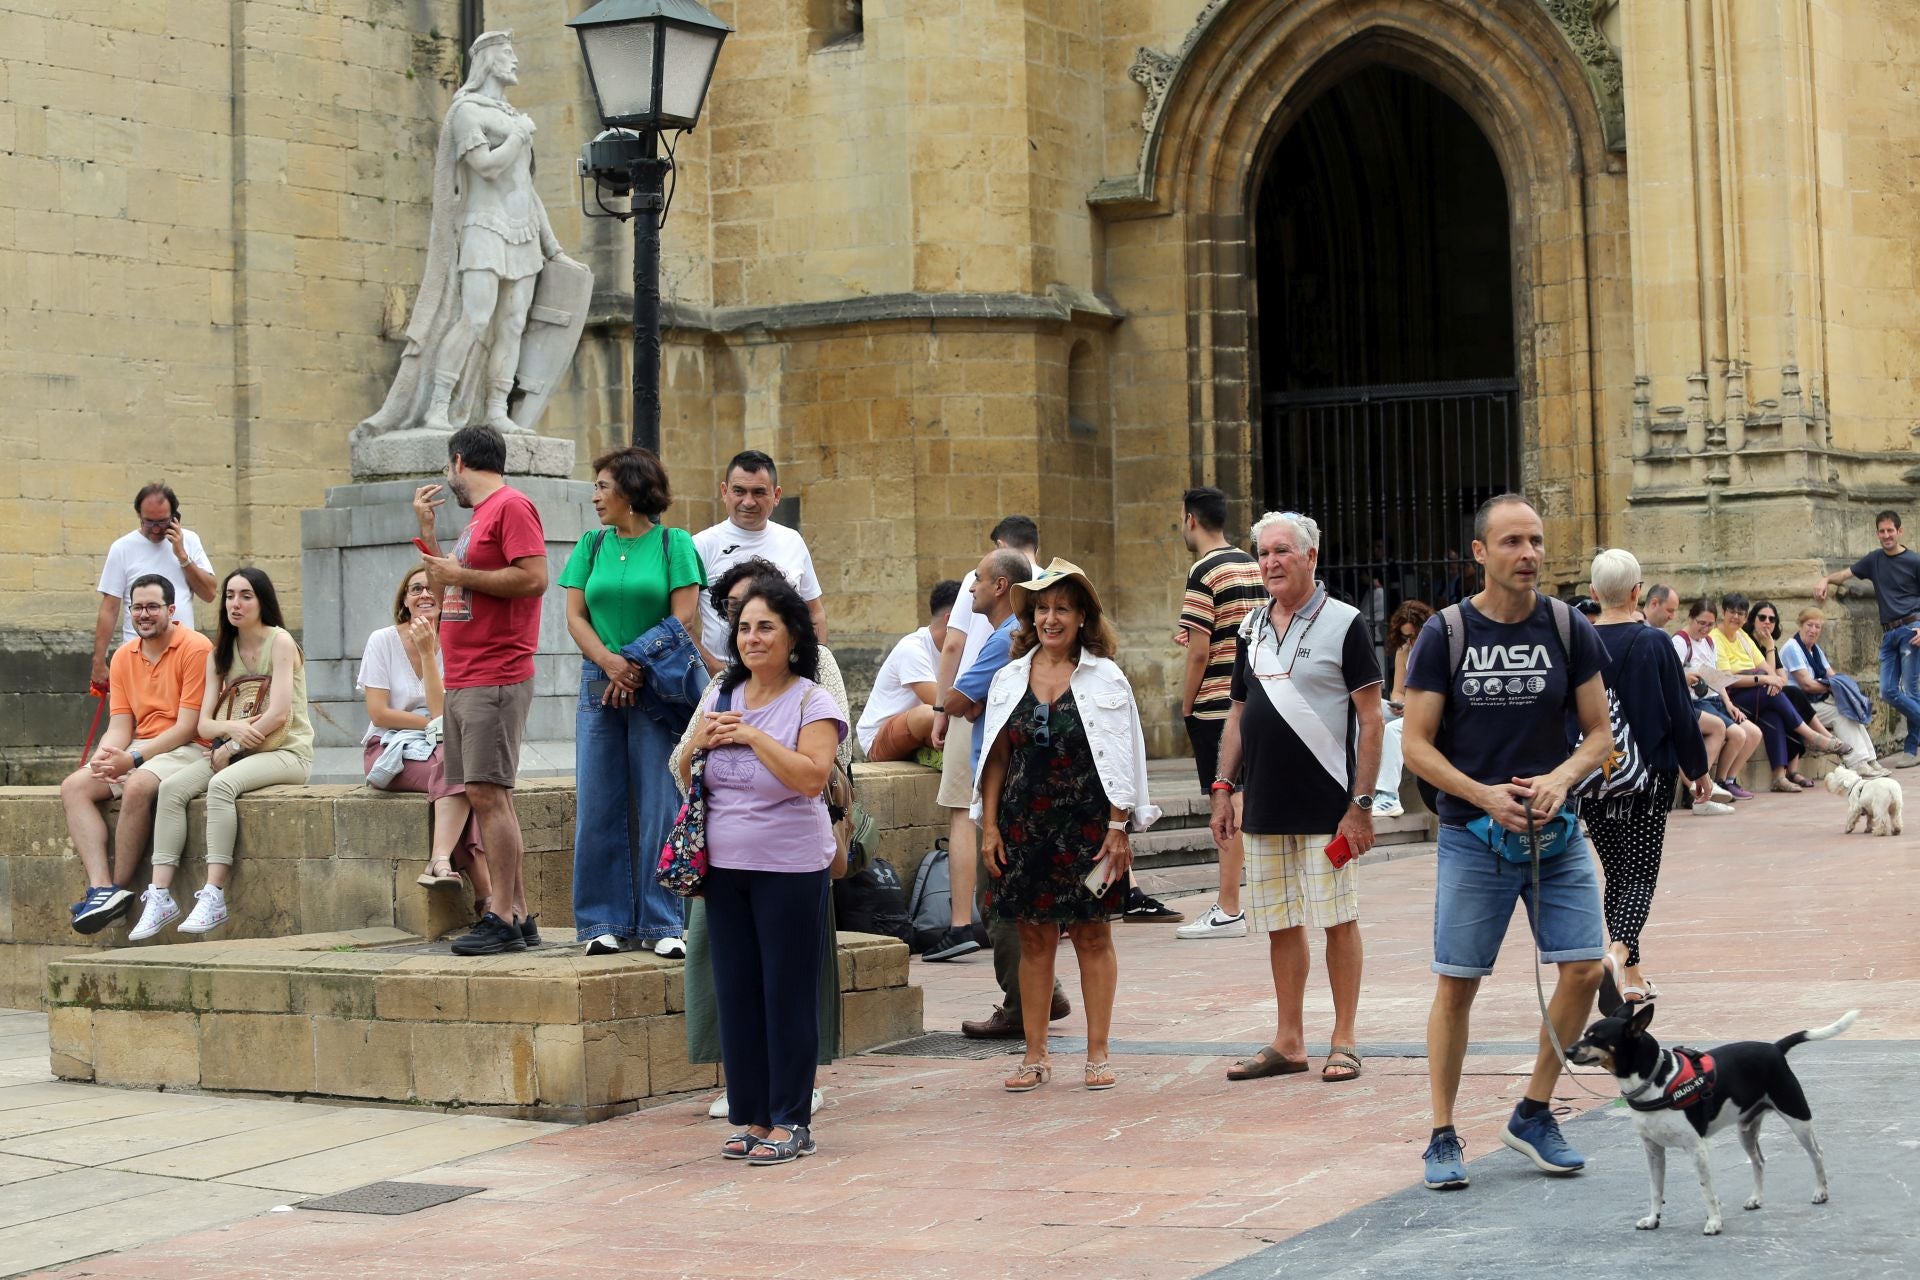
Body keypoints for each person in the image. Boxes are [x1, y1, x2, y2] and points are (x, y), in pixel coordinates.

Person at [1400, 494, 1611, 1191]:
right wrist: (1483, 793)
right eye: (1513, 541)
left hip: (1558, 832)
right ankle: (1441, 1132)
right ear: (1481, 553)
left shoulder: (1568, 627)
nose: (1529, 554)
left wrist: (1562, 777)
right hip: (1473, 835)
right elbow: (1416, 746)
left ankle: (1534, 1111)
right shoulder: (1447, 634)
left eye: (1537, 541)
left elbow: (1601, 737)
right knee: (1458, 983)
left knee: (1584, 967)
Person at [670, 560, 850, 1122]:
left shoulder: (810, 701)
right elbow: (682, 771)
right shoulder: (721, 693)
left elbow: (812, 777)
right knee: (738, 996)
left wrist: (750, 736)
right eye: (744, 628)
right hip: (724, 867)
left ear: (792, 634)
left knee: (787, 995)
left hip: (790, 866)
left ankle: (791, 1118)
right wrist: (699, 743)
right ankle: (749, 1115)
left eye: (765, 626)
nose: (752, 638)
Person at [1208, 512, 1383, 1085]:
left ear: (1311, 557)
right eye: (1263, 553)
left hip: (1327, 808)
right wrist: (1222, 788)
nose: (1270, 562)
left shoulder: (1345, 623)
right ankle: (1289, 1040)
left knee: (1338, 919)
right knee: (1279, 923)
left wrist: (1360, 803)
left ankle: (1345, 1039)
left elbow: (1372, 719)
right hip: (1264, 805)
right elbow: (1236, 713)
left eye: (1282, 551)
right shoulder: (1251, 628)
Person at [975, 560, 1158, 1093]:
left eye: (1062, 608)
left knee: (1093, 936)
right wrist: (989, 827)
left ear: (1082, 617)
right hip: (1023, 824)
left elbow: (1126, 754)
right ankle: (1035, 1055)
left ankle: (1098, 1053)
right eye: (1042, 609)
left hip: (1088, 825)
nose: (1051, 619)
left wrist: (1119, 825)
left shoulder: (1107, 676)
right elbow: (995, 759)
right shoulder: (1009, 678)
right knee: (1032, 939)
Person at [356, 31, 582, 438]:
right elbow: (488, 167)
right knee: (475, 318)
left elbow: (526, 190)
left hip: (524, 232)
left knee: (513, 323)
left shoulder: (515, 117)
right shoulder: (467, 112)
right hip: (483, 226)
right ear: (488, 60)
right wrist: (520, 137)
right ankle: (438, 406)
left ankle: (497, 409)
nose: (515, 61)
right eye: (508, 54)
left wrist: (554, 248)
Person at [561, 446, 706, 957]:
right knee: (598, 801)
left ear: (631, 490)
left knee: (660, 802)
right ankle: (602, 921)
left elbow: (685, 615)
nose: (595, 495)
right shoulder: (590, 545)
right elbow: (575, 615)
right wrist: (611, 664)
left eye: (603, 485)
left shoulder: (675, 543)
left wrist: (635, 663)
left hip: (657, 679)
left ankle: (664, 923)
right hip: (600, 679)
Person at [413, 424, 549, 955]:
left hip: (495, 671)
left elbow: (534, 577)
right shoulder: (478, 519)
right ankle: (515, 914)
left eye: (450, 469)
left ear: (460, 461)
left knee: (489, 796)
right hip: (467, 673)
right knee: (488, 795)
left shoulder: (512, 506)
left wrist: (462, 574)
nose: (450, 478)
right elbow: (445, 583)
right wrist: (428, 534)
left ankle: (502, 916)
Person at [137, 569, 314, 939]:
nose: (236, 603)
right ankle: (160, 895)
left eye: (246, 595)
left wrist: (231, 747)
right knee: (171, 789)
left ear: (262, 600)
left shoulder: (280, 642)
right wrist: (231, 733)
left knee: (221, 786)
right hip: (237, 753)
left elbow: (279, 714)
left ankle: (214, 894)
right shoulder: (219, 651)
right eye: (230, 596)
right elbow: (204, 725)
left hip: (287, 752)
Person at [1580, 550, 1716, 1009]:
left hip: (1593, 771)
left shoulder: (1577, 642)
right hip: (1649, 773)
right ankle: (1617, 955)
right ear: (1638, 591)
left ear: (1594, 593)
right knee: (1640, 874)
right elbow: (1680, 711)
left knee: (1616, 873)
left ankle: (1631, 977)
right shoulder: (1654, 642)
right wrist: (1697, 769)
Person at [63, 575, 214, 934]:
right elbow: (120, 724)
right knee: (75, 787)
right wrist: (105, 755)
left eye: (152, 607)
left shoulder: (196, 648)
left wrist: (131, 761)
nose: (143, 614)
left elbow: (188, 726)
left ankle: (117, 887)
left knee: (138, 786)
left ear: (171, 610)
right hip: (139, 746)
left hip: (187, 746)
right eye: (137, 607)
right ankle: (102, 889)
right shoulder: (122, 657)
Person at [932, 516, 1040, 969]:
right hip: (1007, 772)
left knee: (997, 899)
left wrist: (953, 705)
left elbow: (960, 699)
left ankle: (1026, 1002)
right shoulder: (1011, 632)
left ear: (1000, 585)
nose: (970, 587)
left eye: (976, 579)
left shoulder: (1004, 637)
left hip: (1001, 776)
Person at [358, 566, 489, 911]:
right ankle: (486, 895)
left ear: (446, 599)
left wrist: (429, 653)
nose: (424, 594)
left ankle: (441, 862)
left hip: (441, 747)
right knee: (461, 776)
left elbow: (441, 711)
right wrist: (429, 723)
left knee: (458, 771)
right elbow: (379, 713)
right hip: (388, 747)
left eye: (432, 588)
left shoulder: (456, 643)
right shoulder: (382, 640)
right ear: (404, 601)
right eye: (415, 589)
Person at [1173, 486, 1264, 941]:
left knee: (1225, 802)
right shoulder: (1251, 563)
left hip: (1215, 703)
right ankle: (1254, 899)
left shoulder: (1203, 569)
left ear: (1191, 519)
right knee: (1248, 797)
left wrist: (1186, 705)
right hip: (1256, 699)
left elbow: (1200, 651)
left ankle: (1229, 907)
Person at [692, 451, 826, 671]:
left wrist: (816, 663)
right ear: (724, 492)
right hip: (724, 676)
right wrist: (715, 670)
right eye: (739, 491)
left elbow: (815, 611)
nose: (748, 501)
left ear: (776, 495)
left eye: (759, 492)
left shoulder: (792, 541)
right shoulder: (700, 545)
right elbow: (680, 622)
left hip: (785, 677)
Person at [1814, 509, 1920, 768]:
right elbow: (1846, 574)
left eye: (1890, 531)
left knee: (1912, 690)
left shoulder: (1914, 561)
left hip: (1911, 629)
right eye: (1882, 531)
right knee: (1888, 691)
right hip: (1888, 634)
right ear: (1877, 533)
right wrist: (1826, 578)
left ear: (1900, 531)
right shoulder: (1874, 560)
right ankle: (1913, 749)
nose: (1886, 535)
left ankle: (1911, 749)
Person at [1713, 593, 1843, 793]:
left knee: (1774, 712)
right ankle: (1812, 736)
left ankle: (1779, 777)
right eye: (1732, 612)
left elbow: (1771, 673)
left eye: (1740, 613)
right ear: (1723, 613)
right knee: (1780, 693)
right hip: (1732, 695)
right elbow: (1726, 677)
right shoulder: (1716, 638)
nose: (1736, 617)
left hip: (1755, 692)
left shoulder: (1742, 636)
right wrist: (1763, 679)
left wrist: (1770, 653)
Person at [91, 483, 216, 691]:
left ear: (175, 516)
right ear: (139, 515)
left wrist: (182, 556)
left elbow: (210, 593)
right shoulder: (122, 548)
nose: (156, 529)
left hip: (183, 653)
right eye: (149, 522)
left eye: (162, 521)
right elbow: (109, 608)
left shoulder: (189, 541)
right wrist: (98, 661)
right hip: (138, 654)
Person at [855, 580, 959, 762]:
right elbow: (941, 703)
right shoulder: (912, 649)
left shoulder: (959, 651)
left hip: (918, 735)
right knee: (930, 715)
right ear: (950, 620)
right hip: (878, 740)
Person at [1780, 607, 1886, 777]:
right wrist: (1832, 686)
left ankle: (1870, 760)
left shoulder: (1815, 649)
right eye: (1809, 625)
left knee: (1851, 709)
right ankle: (1857, 763)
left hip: (1816, 701)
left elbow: (1833, 676)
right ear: (1800, 625)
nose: (1813, 630)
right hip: (1799, 706)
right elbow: (1807, 685)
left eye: (1817, 627)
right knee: (1841, 714)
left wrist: (1841, 688)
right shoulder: (1792, 648)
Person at [1673, 599, 1762, 799]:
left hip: (1714, 698)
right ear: (1690, 618)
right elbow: (1671, 676)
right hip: (1695, 701)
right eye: (1701, 623)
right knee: (1736, 734)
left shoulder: (1709, 642)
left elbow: (1715, 677)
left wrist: (1729, 704)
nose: (1705, 629)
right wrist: (1687, 679)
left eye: (1709, 624)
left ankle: (1724, 781)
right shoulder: (1680, 642)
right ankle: (1700, 785)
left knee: (1753, 732)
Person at [1372, 599, 1435, 818]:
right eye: (1407, 636)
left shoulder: (1438, 648)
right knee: (1368, 711)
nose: (1412, 640)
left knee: (1393, 730)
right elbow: (1398, 690)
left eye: (1416, 634)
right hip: (1408, 708)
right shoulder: (1404, 650)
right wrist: (1401, 703)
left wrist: (1412, 708)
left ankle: (1388, 797)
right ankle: (1359, 790)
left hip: (1430, 713)